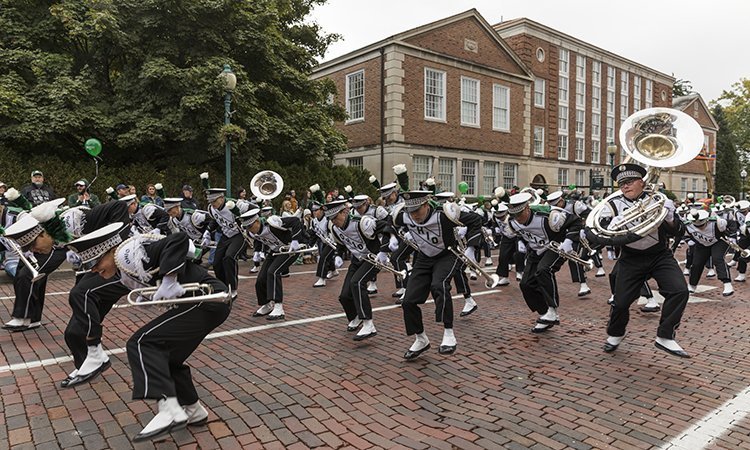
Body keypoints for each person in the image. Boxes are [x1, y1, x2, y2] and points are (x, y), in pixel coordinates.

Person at [66, 224, 231, 442]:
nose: (94, 270)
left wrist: (170, 279)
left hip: (207, 300)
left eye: (95, 263)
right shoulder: (123, 267)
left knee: (141, 343)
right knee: (165, 358)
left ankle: (169, 408)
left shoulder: (130, 252)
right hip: (199, 304)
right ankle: (193, 410)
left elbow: (179, 239)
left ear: (109, 251)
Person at [584, 163, 690, 358]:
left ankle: (665, 336)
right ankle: (615, 334)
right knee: (621, 302)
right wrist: (614, 226)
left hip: (659, 255)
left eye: (630, 181)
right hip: (631, 258)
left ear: (642, 182)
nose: (625, 186)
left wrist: (670, 218)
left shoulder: (657, 200)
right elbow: (598, 233)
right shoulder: (611, 205)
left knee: (680, 290)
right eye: (621, 183)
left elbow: (678, 231)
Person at [392, 190, 482, 359]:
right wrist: (390, 239)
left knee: (439, 285)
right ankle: (421, 338)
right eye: (411, 212)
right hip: (424, 257)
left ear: (426, 205)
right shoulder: (402, 216)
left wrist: (471, 247)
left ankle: (448, 332)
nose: (414, 215)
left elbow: (476, 220)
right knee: (408, 300)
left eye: (417, 210)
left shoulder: (444, 214)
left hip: (448, 254)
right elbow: (386, 223)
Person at [507, 191, 583, 333]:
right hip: (536, 251)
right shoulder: (512, 221)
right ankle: (545, 314)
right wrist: (521, 243)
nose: (518, 218)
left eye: (520, 214)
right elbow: (520, 234)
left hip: (556, 246)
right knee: (525, 284)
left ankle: (553, 309)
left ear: (527, 208)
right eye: (514, 215)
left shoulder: (548, 215)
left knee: (544, 270)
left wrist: (568, 241)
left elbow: (576, 222)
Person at [325, 199, 390, 340]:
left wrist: (384, 250)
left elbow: (387, 226)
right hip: (357, 260)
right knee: (344, 296)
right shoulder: (334, 228)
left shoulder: (362, 222)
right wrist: (338, 255)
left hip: (373, 258)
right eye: (331, 219)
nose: (334, 221)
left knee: (357, 282)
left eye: (336, 217)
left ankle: (368, 323)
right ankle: (355, 316)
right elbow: (341, 242)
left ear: (345, 211)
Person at [1, 199, 70, 330]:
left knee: (26, 276)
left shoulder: (15, 215)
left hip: (51, 246)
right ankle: (34, 318)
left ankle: (22, 317)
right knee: (23, 277)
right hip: (31, 248)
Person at [239, 208, 303, 320]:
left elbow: (295, 221)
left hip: (290, 249)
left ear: (257, 222)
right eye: (247, 227)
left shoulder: (273, 222)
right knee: (260, 279)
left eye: (250, 226)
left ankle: (279, 307)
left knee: (273, 272)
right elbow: (260, 240)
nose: (249, 229)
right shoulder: (251, 232)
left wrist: (295, 240)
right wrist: (258, 253)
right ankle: (266, 304)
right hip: (275, 251)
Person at [202, 172, 250, 298]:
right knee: (217, 261)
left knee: (229, 257)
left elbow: (253, 209)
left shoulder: (235, 204)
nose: (213, 204)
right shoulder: (212, 208)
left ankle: (233, 288)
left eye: (215, 201)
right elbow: (215, 220)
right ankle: (223, 286)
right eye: (210, 201)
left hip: (239, 235)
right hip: (225, 235)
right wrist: (207, 232)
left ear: (222, 198)